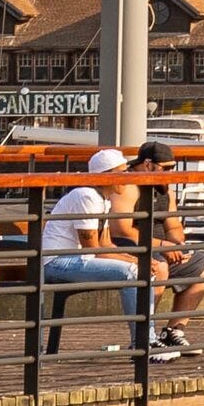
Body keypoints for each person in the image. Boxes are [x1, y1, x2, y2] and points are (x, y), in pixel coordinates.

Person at [38, 148, 160, 358]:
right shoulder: (86, 196)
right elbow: (93, 249)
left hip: (76, 260)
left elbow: (105, 244)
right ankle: (144, 343)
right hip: (57, 262)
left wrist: (138, 259)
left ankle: (147, 340)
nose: (127, 179)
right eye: (121, 173)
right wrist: (132, 263)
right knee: (132, 273)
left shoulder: (102, 198)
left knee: (141, 270)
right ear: (105, 175)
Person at [120, 142, 204, 355]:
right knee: (159, 267)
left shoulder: (166, 190)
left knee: (203, 265)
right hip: (133, 249)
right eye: (166, 168)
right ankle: (146, 336)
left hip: (162, 248)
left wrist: (178, 246)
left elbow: (172, 224)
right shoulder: (128, 186)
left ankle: (174, 331)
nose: (171, 173)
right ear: (148, 165)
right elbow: (123, 231)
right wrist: (164, 246)